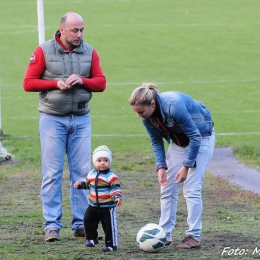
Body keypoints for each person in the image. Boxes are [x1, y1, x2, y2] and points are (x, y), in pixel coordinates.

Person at [23, 12, 106, 242]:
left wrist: (82, 80)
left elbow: (101, 83)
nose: (79, 34)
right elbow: (28, 82)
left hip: (80, 119)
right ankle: (52, 225)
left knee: (81, 174)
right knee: (52, 173)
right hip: (52, 119)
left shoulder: (90, 51)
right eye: (75, 30)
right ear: (62, 30)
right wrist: (54, 84)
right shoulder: (43, 51)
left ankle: (81, 224)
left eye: (82, 30)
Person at [129, 83, 215, 249]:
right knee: (167, 187)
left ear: (152, 104)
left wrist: (186, 166)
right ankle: (164, 234)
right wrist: (161, 166)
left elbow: (195, 137)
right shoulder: (147, 117)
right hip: (179, 141)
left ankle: (193, 236)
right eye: (136, 112)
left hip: (202, 136)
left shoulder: (172, 107)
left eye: (141, 112)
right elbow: (156, 140)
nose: (139, 116)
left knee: (191, 188)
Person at [74, 145, 122, 252]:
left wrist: (117, 197)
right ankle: (92, 238)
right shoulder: (91, 174)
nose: (102, 163)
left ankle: (111, 245)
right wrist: (80, 185)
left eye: (106, 160)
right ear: (94, 162)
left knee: (109, 227)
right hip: (93, 205)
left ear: (109, 162)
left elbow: (115, 188)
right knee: (88, 221)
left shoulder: (111, 176)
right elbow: (88, 184)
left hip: (107, 208)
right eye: (99, 160)